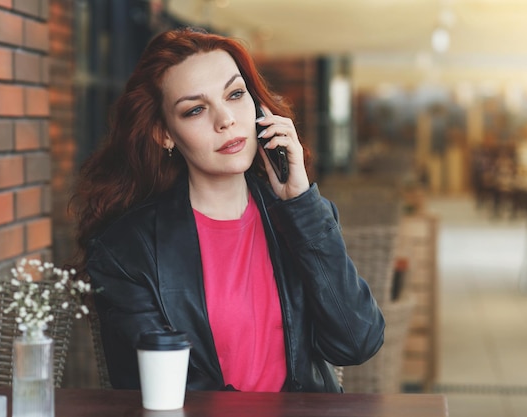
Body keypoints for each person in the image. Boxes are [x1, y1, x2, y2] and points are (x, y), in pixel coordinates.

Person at [70, 26, 384, 393]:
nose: (225, 120)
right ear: (164, 133)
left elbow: (357, 342)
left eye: (235, 94)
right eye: (195, 110)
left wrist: (301, 206)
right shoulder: (126, 250)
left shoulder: (302, 218)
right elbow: (163, 388)